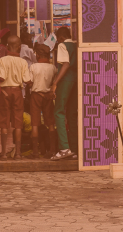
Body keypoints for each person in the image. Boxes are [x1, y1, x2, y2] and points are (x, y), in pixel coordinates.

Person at [0, 35, 31, 160]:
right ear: (20, 47)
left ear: (7, 47)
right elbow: (27, 80)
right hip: (17, 92)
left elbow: (1, 77)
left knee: (4, 123)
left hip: (5, 92)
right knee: (18, 123)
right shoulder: (23, 62)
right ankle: (18, 153)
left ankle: (4, 153)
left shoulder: (2, 61)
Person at [50, 27, 78, 161]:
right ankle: (75, 149)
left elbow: (65, 64)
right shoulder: (76, 45)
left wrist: (55, 83)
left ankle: (64, 148)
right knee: (72, 114)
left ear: (60, 37)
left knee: (59, 112)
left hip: (66, 80)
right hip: (76, 81)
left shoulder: (62, 45)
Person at [28, 44, 57, 159]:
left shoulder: (34, 67)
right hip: (48, 96)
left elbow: (29, 82)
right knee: (50, 123)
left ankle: (35, 152)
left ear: (38, 55)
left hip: (36, 95)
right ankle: (52, 150)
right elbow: (54, 83)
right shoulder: (53, 68)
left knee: (35, 124)